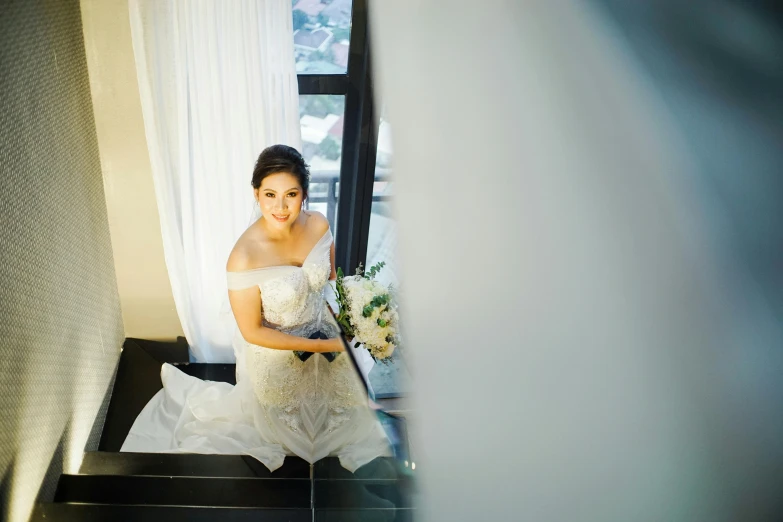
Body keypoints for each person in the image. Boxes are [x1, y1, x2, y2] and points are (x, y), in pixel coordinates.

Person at [122, 145, 391, 472]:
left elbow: (331, 280)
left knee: (354, 423)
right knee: (304, 437)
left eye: (290, 194)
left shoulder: (319, 224)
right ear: (256, 193)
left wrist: (351, 321)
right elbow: (252, 331)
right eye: (270, 194)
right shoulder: (244, 257)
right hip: (276, 354)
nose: (280, 206)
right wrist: (318, 346)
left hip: (325, 336)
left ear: (304, 193)